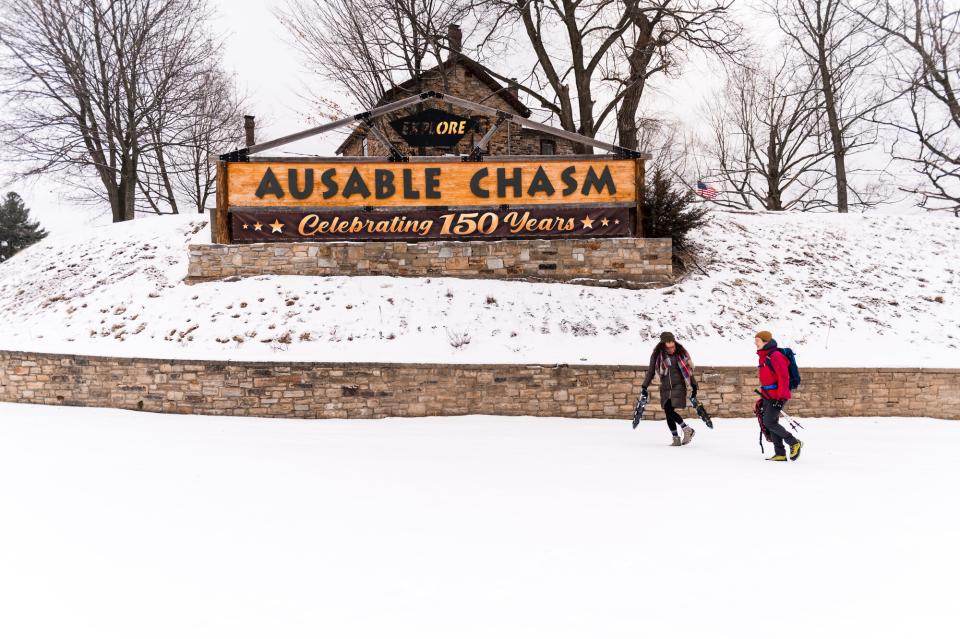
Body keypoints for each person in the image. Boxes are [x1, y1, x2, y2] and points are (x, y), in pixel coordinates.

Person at [640, 332, 699, 446]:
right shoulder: (657, 355)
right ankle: (676, 438)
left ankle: (687, 429)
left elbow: (689, 371)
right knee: (668, 412)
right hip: (666, 387)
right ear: (663, 342)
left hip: (679, 385)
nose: (671, 343)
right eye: (668, 342)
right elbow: (651, 371)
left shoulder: (681, 352)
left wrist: (694, 385)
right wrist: (644, 386)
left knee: (668, 409)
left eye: (672, 341)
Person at [755, 330, 803, 461]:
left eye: (757, 340)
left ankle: (794, 442)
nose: (755, 343)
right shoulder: (763, 356)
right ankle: (780, 453)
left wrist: (781, 397)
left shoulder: (775, 355)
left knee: (769, 421)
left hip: (777, 395)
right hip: (767, 395)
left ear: (766, 341)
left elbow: (784, 377)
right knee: (771, 423)